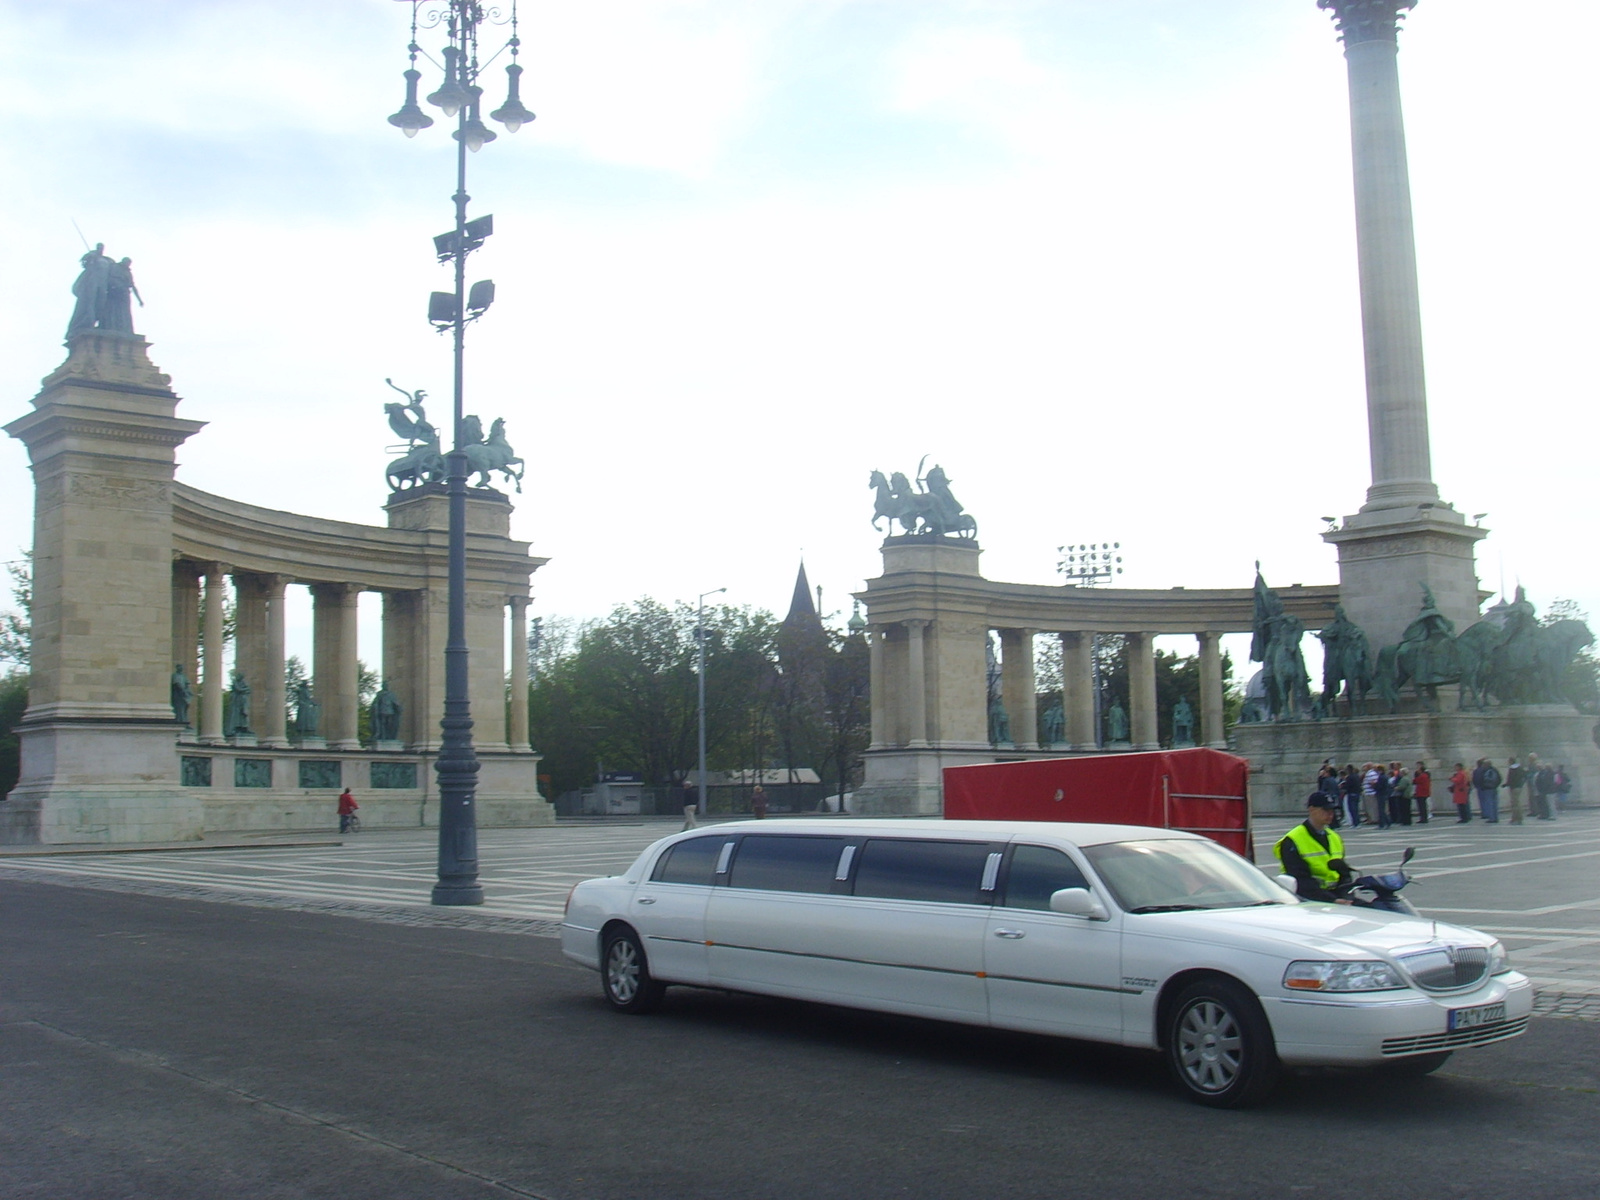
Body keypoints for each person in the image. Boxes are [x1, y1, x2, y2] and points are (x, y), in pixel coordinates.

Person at [1274, 792, 1354, 905]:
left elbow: (1344, 874)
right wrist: (1332, 900)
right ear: (1311, 810)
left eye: (1332, 811)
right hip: (1308, 899)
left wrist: (1347, 896)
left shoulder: (1334, 837)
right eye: (1325, 810)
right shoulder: (1293, 840)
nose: (1330, 814)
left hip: (1335, 896)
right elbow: (1301, 879)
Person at [1473, 758, 1502, 823]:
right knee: (1495, 803)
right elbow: (1500, 778)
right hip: (1494, 788)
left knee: (1489, 803)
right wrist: (1496, 785)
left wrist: (1482, 786)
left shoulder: (1483, 770)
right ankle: (1495, 817)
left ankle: (1491, 818)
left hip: (1487, 789)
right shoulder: (1494, 770)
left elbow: (1479, 779)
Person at [1505, 757, 1527, 826]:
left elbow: (1510, 778)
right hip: (1519, 786)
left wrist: (1507, 784)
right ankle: (1517, 818)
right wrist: (1521, 783)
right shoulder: (1520, 768)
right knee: (1517, 802)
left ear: (1511, 761)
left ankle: (1516, 818)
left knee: (1515, 803)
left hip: (1514, 787)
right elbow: (1525, 775)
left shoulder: (1512, 769)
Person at [1340, 764, 1363, 829]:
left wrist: (1343, 787)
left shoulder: (1349, 777)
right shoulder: (1357, 776)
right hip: (1357, 793)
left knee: (1352, 809)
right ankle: (1358, 822)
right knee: (1356, 809)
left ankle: (1355, 823)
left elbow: (1348, 786)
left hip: (1351, 793)